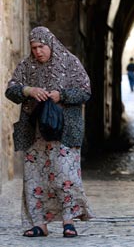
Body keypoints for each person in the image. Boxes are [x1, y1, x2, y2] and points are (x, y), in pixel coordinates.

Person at [5, 26, 95, 238]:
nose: (38, 51)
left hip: (64, 132)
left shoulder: (70, 62)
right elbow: (11, 89)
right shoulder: (27, 66)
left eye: (42, 46)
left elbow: (85, 91)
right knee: (34, 178)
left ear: (51, 44)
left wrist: (61, 95)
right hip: (35, 133)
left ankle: (68, 222)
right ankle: (39, 224)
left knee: (65, 175)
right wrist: (29, 90)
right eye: (34, 47)